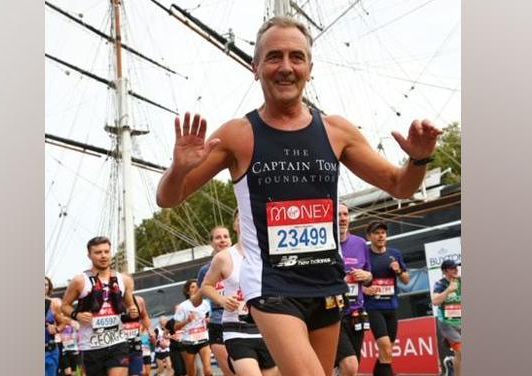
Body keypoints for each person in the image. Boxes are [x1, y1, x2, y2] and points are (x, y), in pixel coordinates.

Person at [155, 15, 441, 376]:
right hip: (271, 284)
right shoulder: (238, 135)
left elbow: (401, 185)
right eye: (274, 57)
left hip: (326, 283)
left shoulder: (337, 131)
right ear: (255, 67)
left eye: (296, 57)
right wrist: (179, 168)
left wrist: (419, 157)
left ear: (310, 68)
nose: (286, 67)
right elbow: (168, 198)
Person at [192, 209, 278, 376]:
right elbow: (206, 286)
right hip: (235, 328)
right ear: (235, 225)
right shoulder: (223, 259)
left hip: (266, 327)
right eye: (241, 219)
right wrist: (222, 300)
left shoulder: (268, 253)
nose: (246, 222)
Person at [60, 236, 142, 376]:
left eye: (106, 251)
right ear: (89, 255)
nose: (103, 256)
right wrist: (77, 315)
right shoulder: (80, 281)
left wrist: (133, 311)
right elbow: (64, 306)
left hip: (118, 342)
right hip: (91, 346)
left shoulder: (125, 280)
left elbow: (131, 307)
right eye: (98, 252)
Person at [362, 221, 410, 376]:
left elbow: (406, 280)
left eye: (383, 232)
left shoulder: (394, 253)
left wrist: (398, 271)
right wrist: (365, 289)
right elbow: (354, 280)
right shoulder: (365, 255)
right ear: (369, 236)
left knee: (386, 353)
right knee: (385, 347)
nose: (381, 235)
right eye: (376, 233)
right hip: (373, 307)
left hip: (392, 306)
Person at [335, 203, 373, 376]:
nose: (342, 218)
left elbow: (369, 278)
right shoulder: (324, 244)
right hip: (332, 314)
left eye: (345, 214)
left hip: (356, 314)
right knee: (349, 365)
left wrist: (366, 276)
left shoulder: (360, 244)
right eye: (338, 215)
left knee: (352, 366)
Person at [196, 226, 234, 376]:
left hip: (247, 321)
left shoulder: (245, 261)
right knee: (231, 371)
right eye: (218, 237)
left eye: (226, 236)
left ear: (231, 240)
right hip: (219, 322)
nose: (223, 240)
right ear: (211, 243)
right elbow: (197, 299)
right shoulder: (205, 271)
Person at [173, 280, 213, 376]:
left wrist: (208, 321)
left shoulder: (206, 303)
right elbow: (175, 327)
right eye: (192, 287)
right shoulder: (182, 306)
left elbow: (209, 318)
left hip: (203, 340)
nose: (196, 288)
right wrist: (187, 321)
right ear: (187, 291)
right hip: (188, 342)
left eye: (197, 286)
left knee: (208, 371)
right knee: (191, 373)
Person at [432, 260, 462, 376]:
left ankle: (450, 364)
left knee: (459, 355)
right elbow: (435, 301)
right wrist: (449, 290)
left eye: (456, 267)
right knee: (461, 351)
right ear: (444, 271)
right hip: (447, 324)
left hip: (461, 322)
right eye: (451, 268)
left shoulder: (461, 281)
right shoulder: (440, 284)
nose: (455, 269)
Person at [122, 293, 153, 376]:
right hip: (119, 348)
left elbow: (144, 316)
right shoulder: (112, 301)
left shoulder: (139, 300)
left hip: (136, 347)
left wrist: (150, 329)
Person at [46, 276, 65, 376]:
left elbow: (64, 322)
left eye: (45, 285)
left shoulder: (54, 303)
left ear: (49, 287)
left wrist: (56, 329)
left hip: (50, 350)